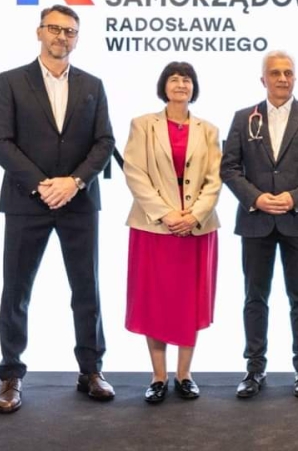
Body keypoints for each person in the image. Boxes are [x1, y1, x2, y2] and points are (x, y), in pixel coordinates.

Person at [0, 4, 115, 413]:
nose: (62, 36)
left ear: (77, 38)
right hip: (27, 200)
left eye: (70, 31)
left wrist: (74, 182)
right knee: (16, 290)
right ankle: (10, 376)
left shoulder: (93, 84)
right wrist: (42, 184)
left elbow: (105, 142)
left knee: (86, 289)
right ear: (39, 32)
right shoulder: (11, 81)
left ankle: (91, 371)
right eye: (55, 29)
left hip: (79, 202)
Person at [221, 50, 298, 399]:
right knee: (254, 298)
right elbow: (229, 168)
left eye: (288, 73)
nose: (282, 78)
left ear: (295, 78)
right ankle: (254, 369)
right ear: (263, 79)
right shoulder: (243, 118)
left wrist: (295, 197)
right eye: (275, 73)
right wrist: (255, 198)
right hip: (255, 221)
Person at [122, 61, 222, 403]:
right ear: (163, 86)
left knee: (188, 302)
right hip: (153, 227)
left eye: (187, 79)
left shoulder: (209, 130)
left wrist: (193, 216)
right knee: (155, 302)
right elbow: (135, 173)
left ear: (194, 87)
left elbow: (214, 179)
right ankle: (158, 376)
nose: (181, 84)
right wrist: (166, 214)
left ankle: (184, 375)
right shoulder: (142, 125)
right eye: (174, 79)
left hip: (196, 228)